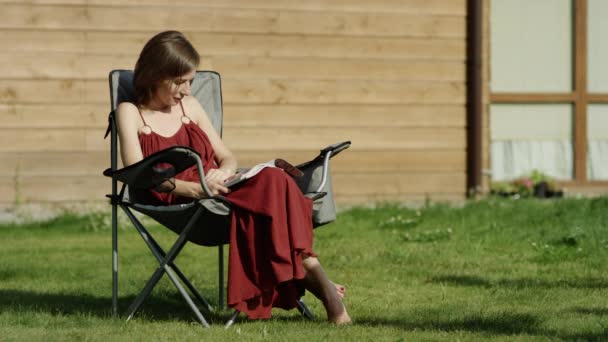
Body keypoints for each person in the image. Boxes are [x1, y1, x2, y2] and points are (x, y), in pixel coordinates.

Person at [116, 30, 351, 324]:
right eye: (179, 82)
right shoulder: (130, 112)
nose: (187, 90)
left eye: (191, 80)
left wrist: (224, 173)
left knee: (276, 178)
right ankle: (321, 285)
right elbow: (138, 174)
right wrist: (197, 188)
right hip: (180, 197)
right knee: (273, 191)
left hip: (220, 187)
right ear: (153, 75)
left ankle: (313, 281)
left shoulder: (190, 106)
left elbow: (227, 156)